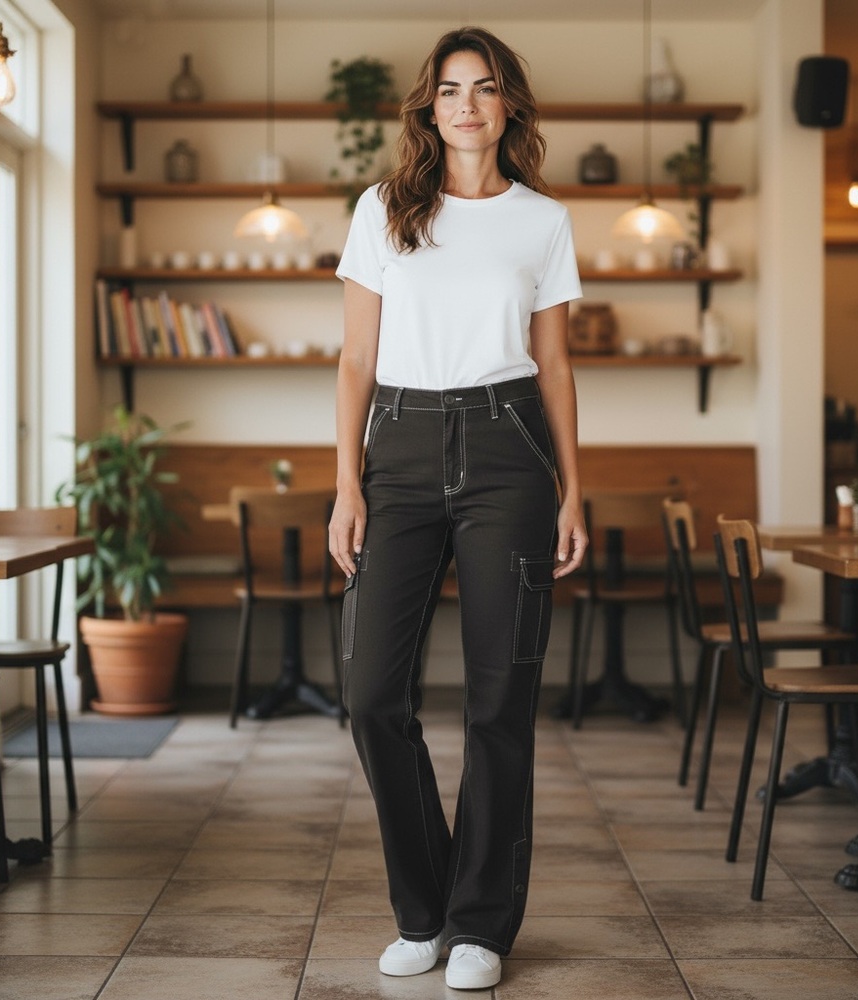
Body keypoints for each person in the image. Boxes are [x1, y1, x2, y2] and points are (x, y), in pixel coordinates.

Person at [328, 25, 587, 991]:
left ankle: (480, 925)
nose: (466, 105)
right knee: (369, 695)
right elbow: (356, 359)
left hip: (508, 447)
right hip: (396, 449)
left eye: (482, 87)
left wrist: (573, 489)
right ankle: (425, 908)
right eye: (449, 89)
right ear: (428, 107)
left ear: (507, 102)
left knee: (499, 701)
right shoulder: (385, 209)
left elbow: (554, 365)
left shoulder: (542, 221)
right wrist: (346, 483)